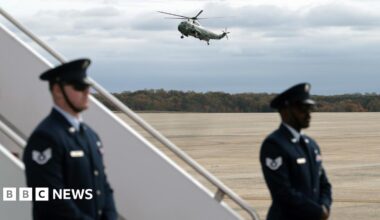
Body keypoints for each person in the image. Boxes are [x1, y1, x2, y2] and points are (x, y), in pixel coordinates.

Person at [23, 59, 118, 220]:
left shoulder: (91, 136)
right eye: (79, 87)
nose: (87, 92)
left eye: (87, 87)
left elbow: (103, 187)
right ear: (57, 91)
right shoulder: (45, 137)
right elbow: (51, 200)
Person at [260, 83, 332, 220]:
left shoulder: (311, 145)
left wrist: (325, 206)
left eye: (310, 108)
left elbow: (324, 184)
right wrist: (317, 212)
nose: (308, 114)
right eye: (302, 108)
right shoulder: (274, 145)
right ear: (285, 111)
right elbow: (282, 193)